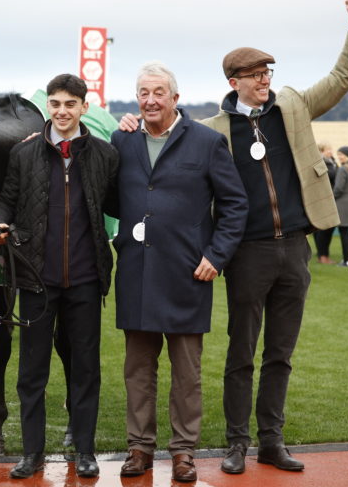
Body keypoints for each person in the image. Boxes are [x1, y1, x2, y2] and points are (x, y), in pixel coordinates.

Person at [119, 0, 348, 475]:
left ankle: (271, 441)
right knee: (241, 353)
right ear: (233, 82)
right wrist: (135, 121)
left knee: (281, 353)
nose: (265, 80)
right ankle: (237, 443)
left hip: (295, 246)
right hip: (246, 253)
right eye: (255, 74)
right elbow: (165, 130)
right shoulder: (212, 129)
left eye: (267, 72)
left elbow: (340, 81)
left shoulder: (293, 104)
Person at [112, 62, 247, 482]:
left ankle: (184, 451)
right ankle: (139, 448)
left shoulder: (207, 142)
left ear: (175, 97)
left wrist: (217, 255)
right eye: (143, 93)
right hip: (137, 272)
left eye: (158, 92)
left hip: (189, 274)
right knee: (137, 370)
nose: (150, 100)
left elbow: (235, 204)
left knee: (186, 374)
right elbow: (112, 198)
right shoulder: (122, 139)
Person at [0, 74, 118, 479]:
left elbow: (122, 203)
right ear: (48, 105)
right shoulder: (23, 155)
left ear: (84, 107)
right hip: (35, 280)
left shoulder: (104, 155)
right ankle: (32, 453)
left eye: (70, 104)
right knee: (32, 373)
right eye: (55, 104)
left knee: (85, 370)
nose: (62, 112)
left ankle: (84, 450)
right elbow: (5, 201)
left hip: (85, 279)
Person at [313, 144, 337, 264]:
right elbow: (327, 177)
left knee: (326, 228)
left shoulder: (331, 161)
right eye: (329, 150)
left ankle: (322, 254)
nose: (331, 152)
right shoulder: (320, 162)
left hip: (328, 199)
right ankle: (323, 256)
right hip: (323, 199)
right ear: (322, 151)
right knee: (324, 229)